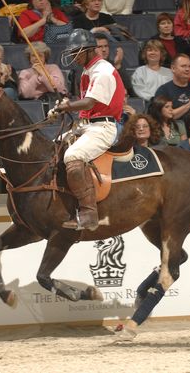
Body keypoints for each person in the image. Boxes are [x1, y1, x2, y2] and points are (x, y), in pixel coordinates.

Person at [54, 29, 126, 231]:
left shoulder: (102, 71)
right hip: (89, 126)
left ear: (89, 50)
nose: (73, 57)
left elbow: (89, 103)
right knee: (55, 147)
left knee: (73, 156)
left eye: (76, 52)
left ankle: (89, 214)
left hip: (104, 127)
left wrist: (67, 106)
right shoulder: (88, 70)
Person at [156, 53, 190, 119]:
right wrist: (189, 105)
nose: (187, 69)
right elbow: (164, 117)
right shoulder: (163, 90)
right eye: (183, 66)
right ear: (173, 68)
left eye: (189, 66)